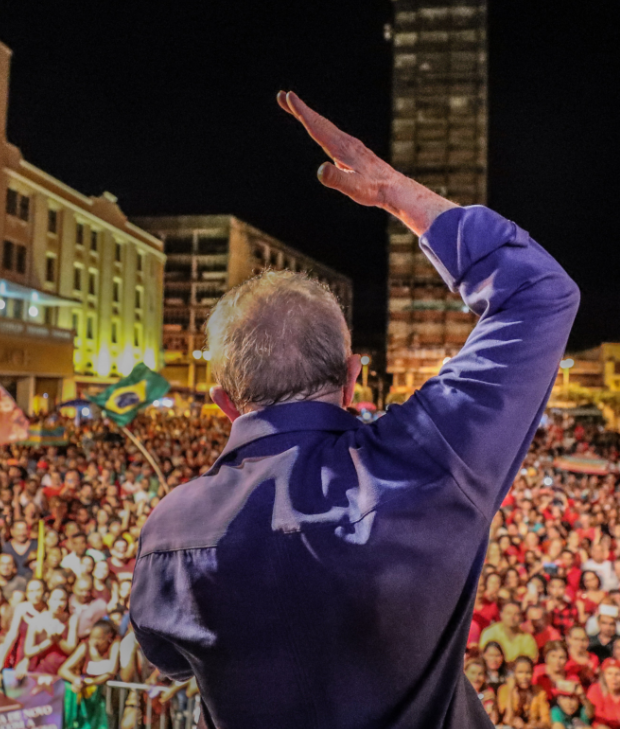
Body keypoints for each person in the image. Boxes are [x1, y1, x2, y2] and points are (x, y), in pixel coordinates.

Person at [131, 90, 580, 727]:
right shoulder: (423, 459)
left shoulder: (170, 529)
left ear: (225, 403)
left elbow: (169, 658)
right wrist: (398, 193)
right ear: (351, 379)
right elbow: (539, 291)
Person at [59, 618, 120, 729]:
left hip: (104, 699)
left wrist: (94, 682)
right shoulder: (85, 646)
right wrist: (76, 679)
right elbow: (63, 670)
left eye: (98, 638)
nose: (94, 641)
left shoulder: (115, 645)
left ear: (109, 636)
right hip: (86, 699)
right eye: (92, 637)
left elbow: (111, 671)